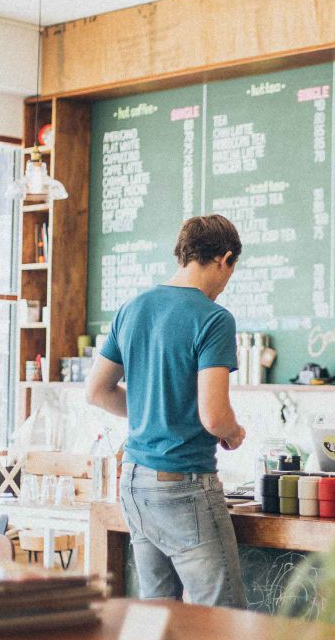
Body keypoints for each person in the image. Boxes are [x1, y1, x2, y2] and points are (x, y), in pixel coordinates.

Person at [86, 214, 247, 608]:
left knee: (158, 615)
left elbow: (96, 391)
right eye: (231, 270)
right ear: (225, 259)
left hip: (135, 482)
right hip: (184, 484)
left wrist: (148, 413)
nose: (226, 283)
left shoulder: (132, 308)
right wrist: (233, 432)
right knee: (223, 617)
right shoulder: (213, 318)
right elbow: (214, 415)